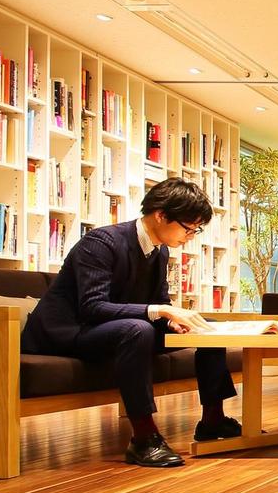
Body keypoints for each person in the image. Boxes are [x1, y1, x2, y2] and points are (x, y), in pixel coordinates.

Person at [21, 179, 238, 467]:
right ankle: (144, 438)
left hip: (113, 330)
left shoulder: (160, 251)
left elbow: (157, 302)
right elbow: (92, 307)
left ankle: (213, 419)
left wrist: (171, 321)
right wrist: (160, 311)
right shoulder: (101, 243)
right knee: (137, 330)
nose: (191, 236)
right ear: (161, 215)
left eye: (196, 230)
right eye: (188, 228)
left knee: (206, 327)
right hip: (68, 333)